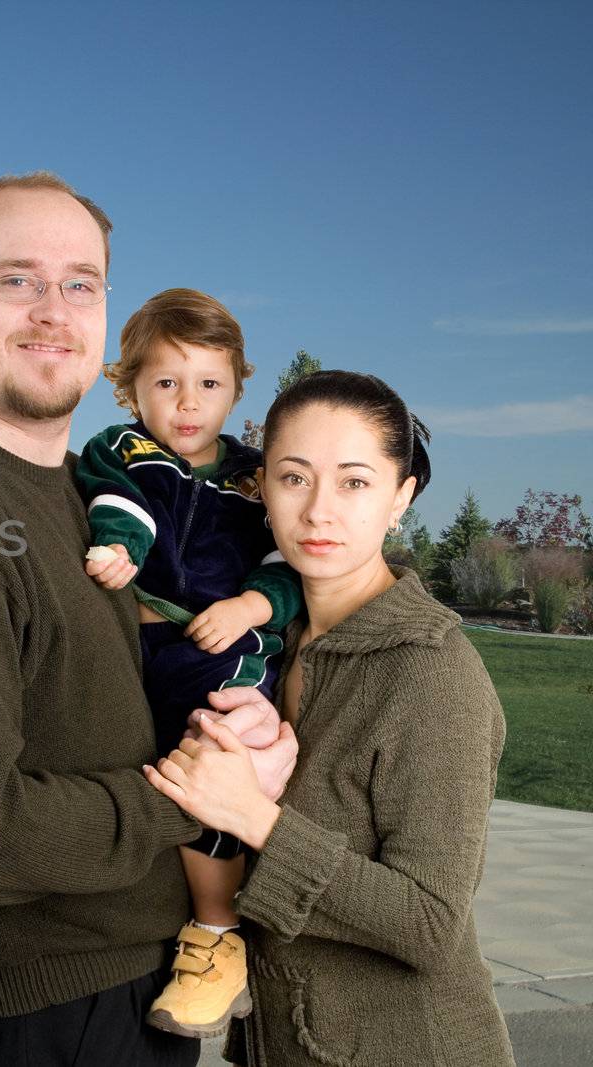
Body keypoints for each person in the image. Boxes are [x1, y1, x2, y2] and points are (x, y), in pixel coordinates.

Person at [0, 171, 298, 1067]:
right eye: (17, 279)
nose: (53, 310)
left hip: (109, 990)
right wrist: (200, 794)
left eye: (79, 283)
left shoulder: (69, 484)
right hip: (42, 1013)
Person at [144, 370, 515, 1066]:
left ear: (401, 497)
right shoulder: (269, 648)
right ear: (261, 489)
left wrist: (254, 814)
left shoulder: (431, 672)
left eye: (354, 481)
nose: (318, 511)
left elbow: (430, 922)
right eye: (293, 477)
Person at [77, 289, 302, 1039]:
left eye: (208, 383)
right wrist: (119, 551)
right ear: (131, 385)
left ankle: (216, 934)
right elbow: (124, 506)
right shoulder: (126, 449)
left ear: (237, 387)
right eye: (165, 382)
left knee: (209, 755)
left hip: (228, 648)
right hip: (146, 644)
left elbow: (281, 563)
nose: (186, 402)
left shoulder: (252, 474)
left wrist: (248, 608)